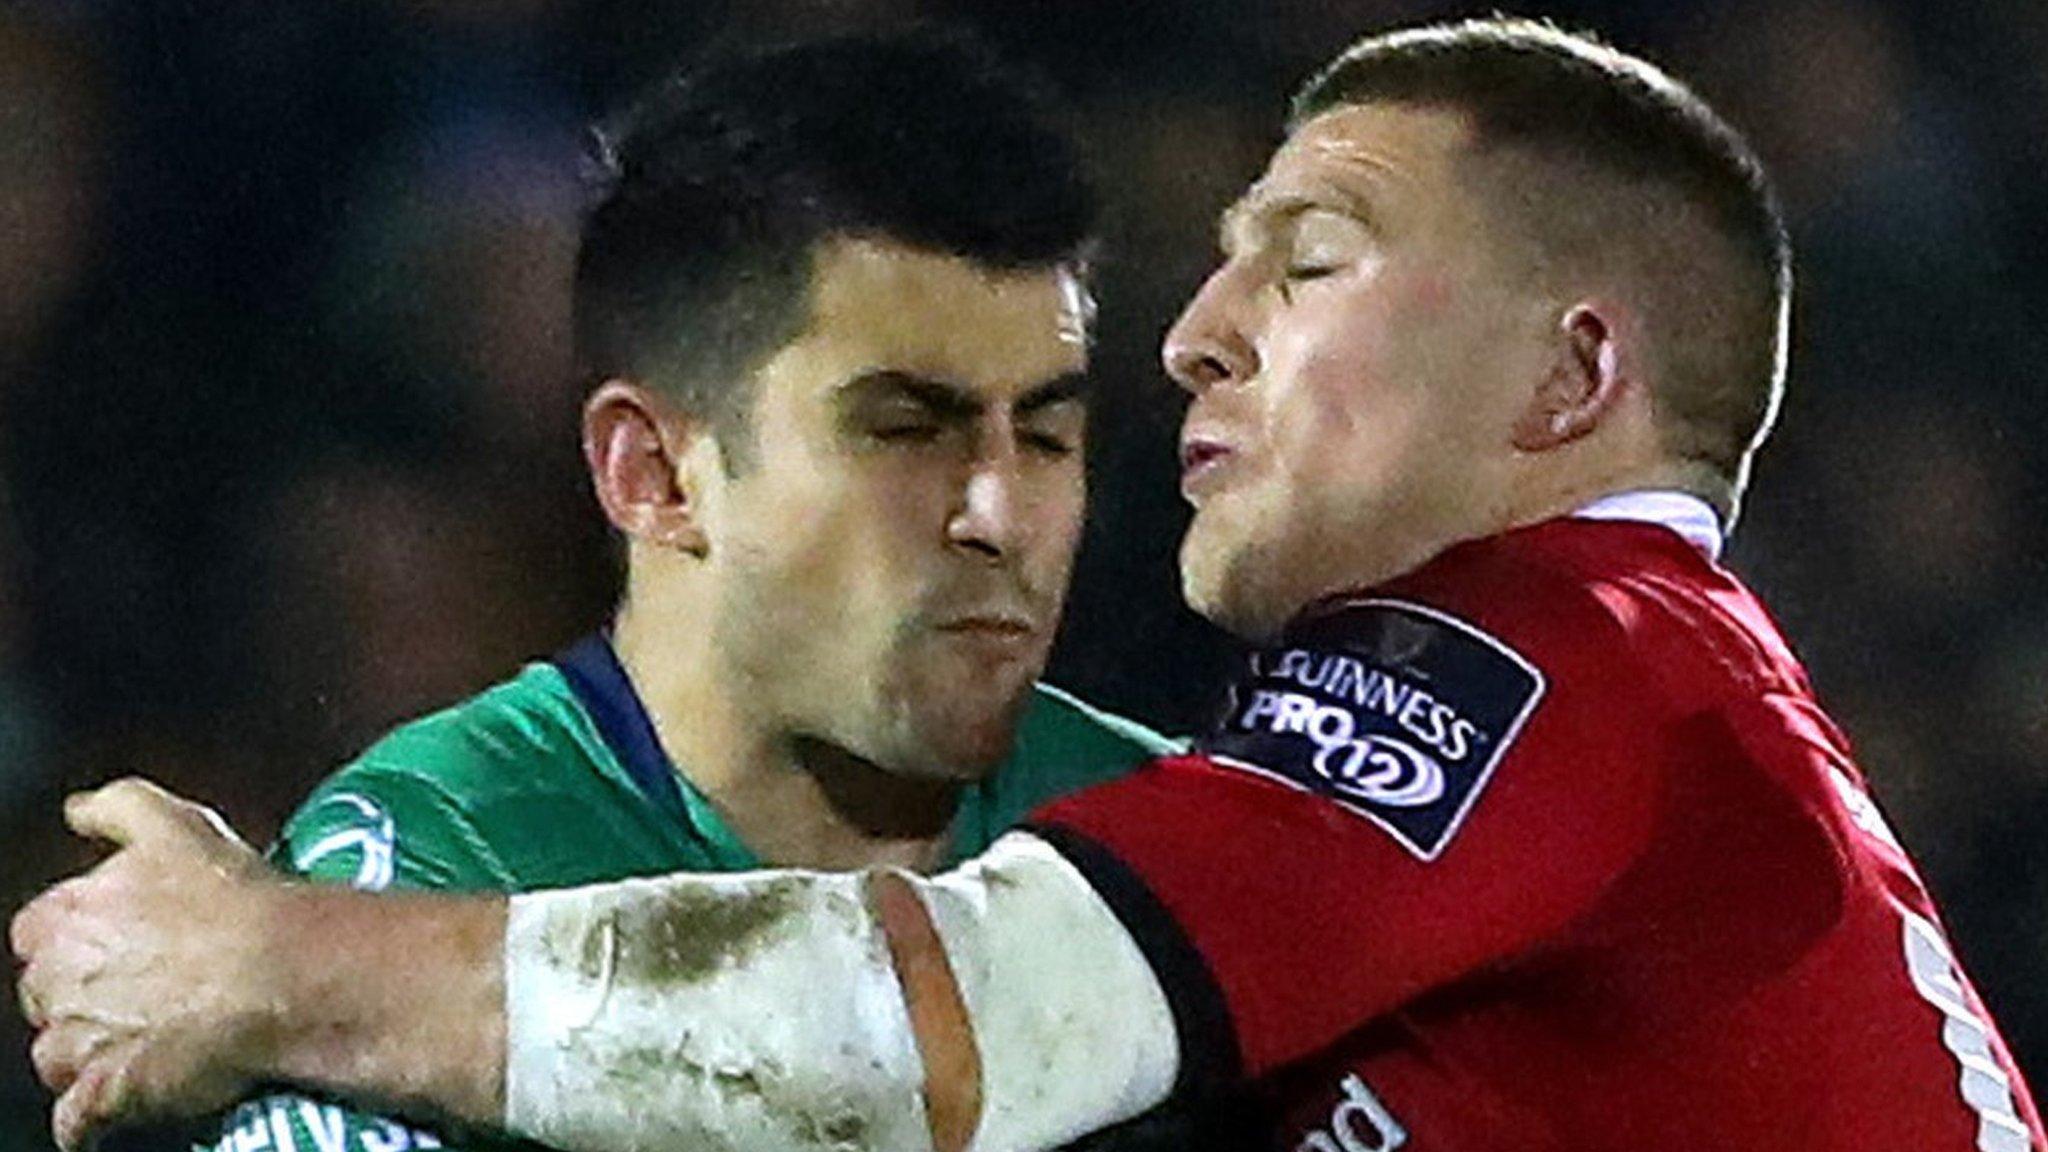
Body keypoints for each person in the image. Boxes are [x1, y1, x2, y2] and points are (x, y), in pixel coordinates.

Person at [17, 16, 2042, 1152]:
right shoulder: (1549, 750)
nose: (1200, 337)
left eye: (1312, 260)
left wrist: (267, 964)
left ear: (1572, 376)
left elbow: (951, 1016)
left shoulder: (1548, 659)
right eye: (906, 422)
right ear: (651, 469)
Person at [59, 28, 1178, 1152]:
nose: (997, 515)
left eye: (1045, 434)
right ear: (651, 475)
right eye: (902, 431)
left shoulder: (1167, 829)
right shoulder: (437, 854)